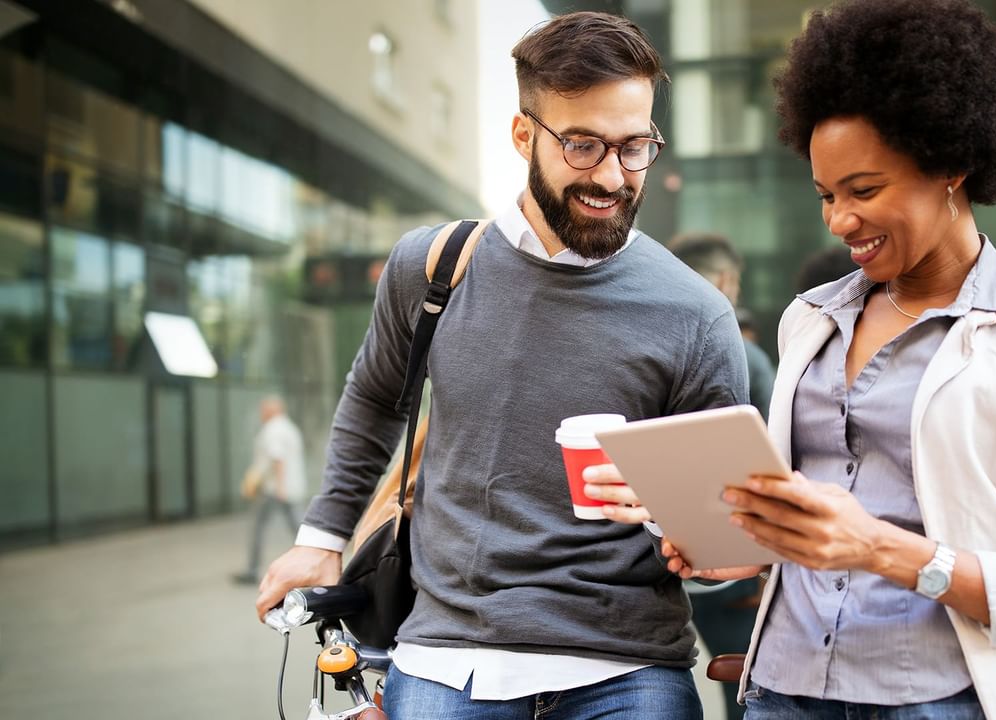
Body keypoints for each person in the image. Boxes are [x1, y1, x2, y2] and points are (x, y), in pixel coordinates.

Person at [254, 11, 748, 719]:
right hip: (447, 653)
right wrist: (320, 538)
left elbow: (714, 533)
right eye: (583, 145)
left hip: (628, 663)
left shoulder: (697, 314)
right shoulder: (432, 268)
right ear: (524, 135)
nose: (613, 175)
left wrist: (702, 540)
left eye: (635, 146)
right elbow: (375, 400)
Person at [656, 2, 996, 718]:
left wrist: (881, 550)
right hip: (784, 693)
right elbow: (816, 524)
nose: (839, 220)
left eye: (865, 190)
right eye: (826, 195)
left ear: (951, 165)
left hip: (941, 700)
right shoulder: (810, 321)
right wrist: (749, 548)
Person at [668, 231, 773, 720]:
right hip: (734, 557)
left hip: (660, 556)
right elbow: (778, 456)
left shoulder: (652, 342)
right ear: (728, 279)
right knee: (745, 693)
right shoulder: (745, 354)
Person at [669, 232, 775, 421]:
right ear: (726, 281)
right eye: (737, 283)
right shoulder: (748, 357)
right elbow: (771, 430)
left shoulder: (644, 342)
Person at [232, 395, 306, 585]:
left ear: (271, 410)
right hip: (290, 487)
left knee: (258, 527)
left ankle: (252, 570)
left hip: (274, 489)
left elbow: (277, 458)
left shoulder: (273, 429)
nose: (261, 413)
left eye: (263, 409)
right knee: (298, 527)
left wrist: (280, 487)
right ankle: (310, 563)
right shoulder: (289, 427)